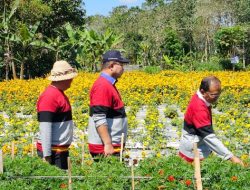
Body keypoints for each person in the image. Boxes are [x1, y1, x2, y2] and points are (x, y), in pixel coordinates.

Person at [179, 76, 243, 166]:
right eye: (213, 95)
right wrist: (231, 157)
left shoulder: (200, 97)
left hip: (200, 143)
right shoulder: (199, 108)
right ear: (203, 91)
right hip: (194, 149)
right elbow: (209, 136)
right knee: (194, 174)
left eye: (218, 94)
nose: (216, 98)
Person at [36, 60, 77, 169]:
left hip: (59, 150)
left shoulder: (58, 93)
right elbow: (45, 126)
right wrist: (47, 154)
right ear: (64, 79)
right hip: (53, 152)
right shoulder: (49, 96)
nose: (72, 80)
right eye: (70, 78)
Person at [88, 50, 129, 158]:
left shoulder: (108, 84)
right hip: (105, 149)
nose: (123, 68)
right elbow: (99, 117)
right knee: (107, 174)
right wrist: (107, 143)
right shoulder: (103, 86)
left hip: (109, 146)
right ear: (111, 66)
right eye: (121, 65)